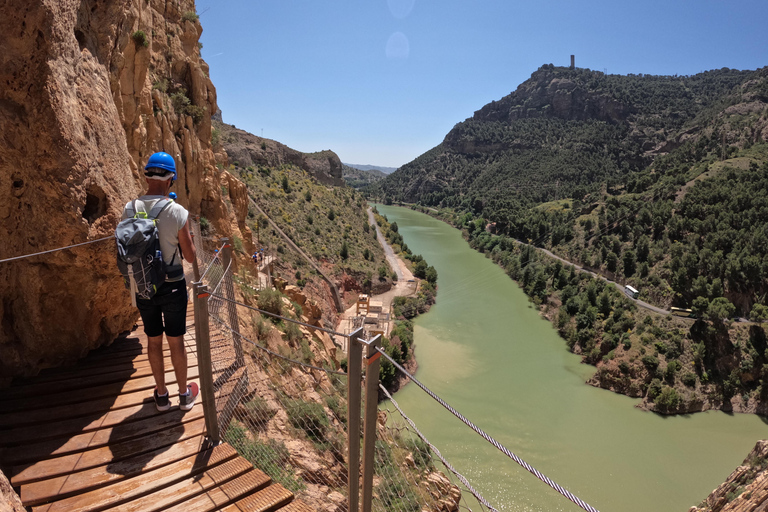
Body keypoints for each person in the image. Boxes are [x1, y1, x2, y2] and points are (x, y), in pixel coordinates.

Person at [122, 151, 199, 412]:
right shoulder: (177, 211)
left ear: (146, 176)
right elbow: (188, 256)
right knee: (175, 340)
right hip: (173, 283)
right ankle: (184, 395)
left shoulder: (129, 209)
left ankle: (162, 395)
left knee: (153, 340)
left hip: (143, 285)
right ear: (170, 180)